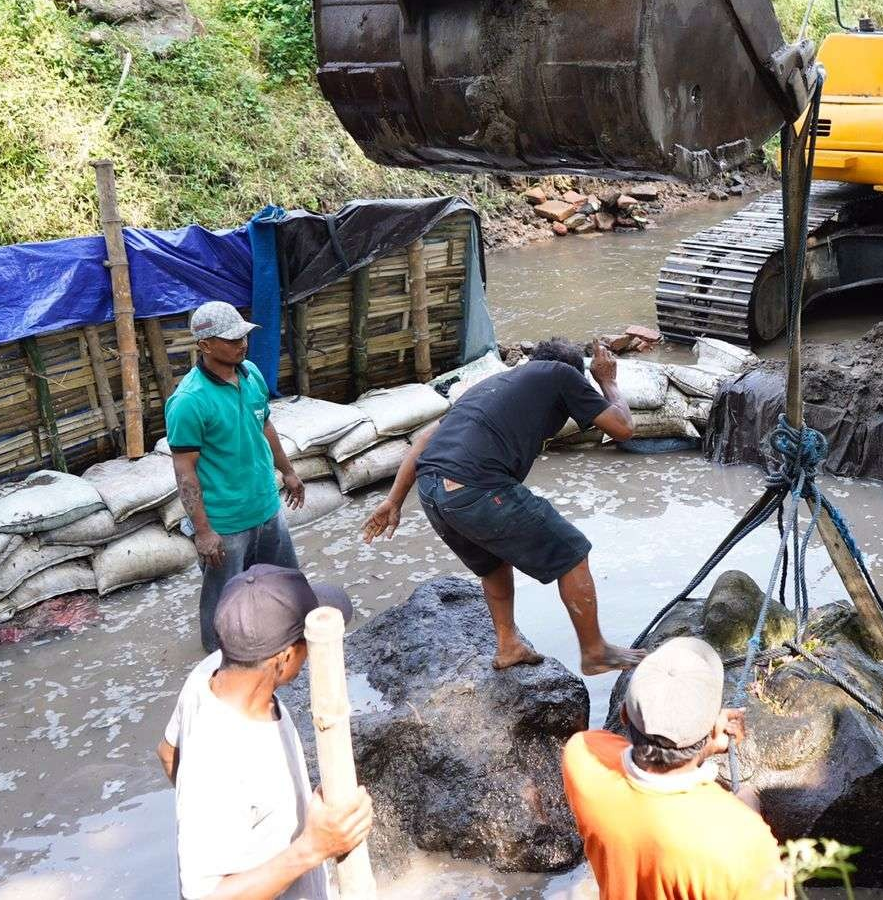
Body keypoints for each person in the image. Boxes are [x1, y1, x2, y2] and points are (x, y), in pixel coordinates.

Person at [360, 338, 646, 676]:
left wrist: (394, 500)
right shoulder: (561, 374)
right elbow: (624, 428)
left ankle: (508, 645)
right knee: (571, 551)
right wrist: (607, 380)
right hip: (474, 484)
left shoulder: (491, 384)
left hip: (432, 491)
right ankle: (595, 651)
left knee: (493, 564)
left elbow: (424, 440)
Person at [156, 564, 372, 900]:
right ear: (284, 658)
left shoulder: (209, 671)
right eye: (307, 642)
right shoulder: (223, 757)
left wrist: (224, 828)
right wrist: (312, 849)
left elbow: (167, 753)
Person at [561, 637, 786, 900]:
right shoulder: (745, 841)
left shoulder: (582, 758)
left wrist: (704, 740)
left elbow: (612, 748)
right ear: (713, 727)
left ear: (623, 715)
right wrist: (749, 813)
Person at [166, 300, 306, 652]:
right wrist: (203, 531)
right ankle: (218, 663)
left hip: (266, 506)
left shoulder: (251, 373)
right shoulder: (189, 400)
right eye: (231, 339)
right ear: (205, 345)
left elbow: (265, 424)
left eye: (244, 336)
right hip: (226, 523)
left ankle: (285, 645)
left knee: (284, 584)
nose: (242, 344)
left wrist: (287, 472)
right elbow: (184, 470)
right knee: (223, 602)